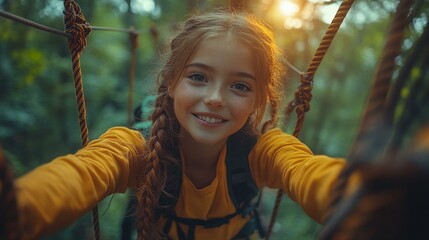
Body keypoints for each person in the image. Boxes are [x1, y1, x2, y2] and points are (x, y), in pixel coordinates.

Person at [14, 10, 348, 240]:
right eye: (198, 77)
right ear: (171, 83)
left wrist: (358, 199)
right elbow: (83, 173)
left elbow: (307, 171)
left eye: (240, 86)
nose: (215, 98)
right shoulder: (138, 147)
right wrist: (21, 206)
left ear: (258, 102)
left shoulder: (262, 151)